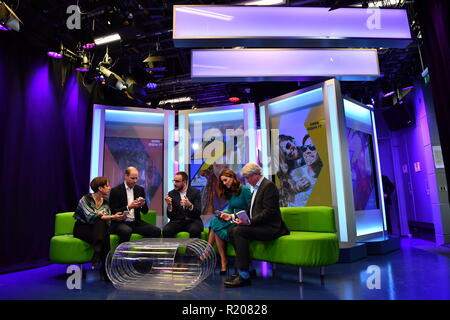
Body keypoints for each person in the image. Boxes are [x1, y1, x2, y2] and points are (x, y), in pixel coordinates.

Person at [221, 163, 290, 288]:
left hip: (271, 227)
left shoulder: (268, 186)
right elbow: (250, 211)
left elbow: (269, 212)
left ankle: (243, 275)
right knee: (231, 231)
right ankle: (249, 269)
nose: (247, 180)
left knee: (238, 231)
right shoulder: (257, 188)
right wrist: (231, 217)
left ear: (256, 174)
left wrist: (249, 222)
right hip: (260, 225)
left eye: (248, 177)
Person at [73, 176, 125, 280]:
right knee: (102, 229)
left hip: (97, 230)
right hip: (82, 228)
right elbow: (90, 216)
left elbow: (106, 220)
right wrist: (112, 216)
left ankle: (97, 254)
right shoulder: (85, 199)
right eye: (107, 186)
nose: (110, 188)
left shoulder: (105, 202)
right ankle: (106, 271)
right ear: (100, 188)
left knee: (101, 225)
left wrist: (109, 217)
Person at [208, 169, 252, 274]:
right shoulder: (231, 192)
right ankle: (222, 259)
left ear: (232, 178)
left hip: (244, 220)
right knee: (216, 219)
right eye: (222, 181)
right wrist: (225, 214)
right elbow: (231, 210)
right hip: (233, 218)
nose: (224, 183)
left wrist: (232, 215)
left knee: (215, 225)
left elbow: (250, 208)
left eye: (226, 180)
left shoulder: (244, 189)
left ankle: (210, 250)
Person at [109, 167, 161, 244]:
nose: (135, 181)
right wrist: (129, 207)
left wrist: (142, 205)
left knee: (156, 231)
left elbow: (145, 211)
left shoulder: (140, 189)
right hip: (120, 222)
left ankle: (148, 253)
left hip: (136, 222)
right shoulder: (115, 191)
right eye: (132, 178)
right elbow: (113, 211)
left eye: (136, 178)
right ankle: (121, 254)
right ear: (126, 176)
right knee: (126, 231)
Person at [163, 171, 203, 238]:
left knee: (194, 230)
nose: (174, 183)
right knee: (166, 230)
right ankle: (173, 248)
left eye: (177, 181)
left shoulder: (195, 192)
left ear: (184, 182)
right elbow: (170, 216)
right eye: (174, 181)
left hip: (193, 221)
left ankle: (191, 249)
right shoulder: (171, 194)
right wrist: (169, 205)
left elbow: (198, 212)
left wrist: (190, 205)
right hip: (177, 222)